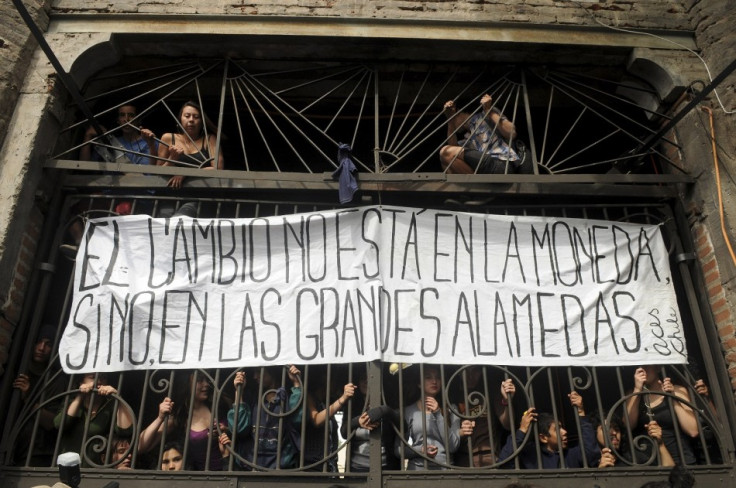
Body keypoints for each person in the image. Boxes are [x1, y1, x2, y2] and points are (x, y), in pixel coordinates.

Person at [394, 365, 475, 470]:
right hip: (418, 470)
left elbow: (452, 446)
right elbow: (398, 450)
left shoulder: (451, 409)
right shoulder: (409, 412)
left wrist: (438, 413)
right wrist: (421, 450)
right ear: (419, 383)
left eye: (438, 377)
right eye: (428, 377)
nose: (434, 381)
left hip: (445, 469)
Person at [227, 366, 303, 470]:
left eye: (259, 372)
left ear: (273, 372)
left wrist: (297, 384)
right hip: (250, 466)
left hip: (280, 467)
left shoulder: (287, 398)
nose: (255, 376)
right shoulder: (252, 399)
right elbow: (238, 428)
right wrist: (238, 391)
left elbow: (299, 420)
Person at [498, 391, 597, 469]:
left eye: (562, 427)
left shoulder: (571, 455)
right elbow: (504, 463)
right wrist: (522, 430)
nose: (565, 432)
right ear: (543, 438)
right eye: (557, 429)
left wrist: (581, 412)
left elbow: (591, 455)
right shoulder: (530, 457)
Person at [11, 325, 65, 466]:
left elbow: (51, 423)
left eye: (48, 344)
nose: (41, 348)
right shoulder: (14, 370)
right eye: (38, 342)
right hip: (10, 446)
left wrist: (28, 397)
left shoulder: (56, 380)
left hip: (36, 452)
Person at [53, 373, 133, 467]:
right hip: (68, 466)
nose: (98, 381)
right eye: (92, 377)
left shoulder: (110, 404)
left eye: (103, 378)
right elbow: (60, 424)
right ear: (81, 381)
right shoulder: (71, 401)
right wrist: (80, 396)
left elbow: (125, 431)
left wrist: (118, 398)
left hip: (95, 468)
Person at [439, 94, 531, 175]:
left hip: (502, 164)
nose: (453, 125)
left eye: (453, 118)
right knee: (446, 161)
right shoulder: (467, 139)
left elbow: (511, 133)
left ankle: (474, 184)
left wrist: (488, 110)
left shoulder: (485, 115)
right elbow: (451, 151)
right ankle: (473, 187)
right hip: (486, 168)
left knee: (445, 151)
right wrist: (450, 119)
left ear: (458, 112)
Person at [625, 366, 698, 465]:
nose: (642, 370)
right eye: (639, 366)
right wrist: (637, 390)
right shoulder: (633, 394)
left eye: (647, 365)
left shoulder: (677, 390)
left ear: (658, 368)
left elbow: (693, 431)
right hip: (648, 462)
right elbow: (627, 426)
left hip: (680, 460)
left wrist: (672, 398)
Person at [340, 370, 400, 472]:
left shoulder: (390, 404)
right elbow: (344, 433)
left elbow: (403, 428)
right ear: (358, 383)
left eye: (370, 378)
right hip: (356, 469)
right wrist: (357, 422)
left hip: (386, 469)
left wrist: (386, 410)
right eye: (363, 378)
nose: (366, 381)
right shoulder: (352, 406)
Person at [453, 367, 515, 467]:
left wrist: (507, 400)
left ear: (482, 372)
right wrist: (460, 431)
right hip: (461, 457)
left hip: (488, 454)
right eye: (466, 372)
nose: (470, 376)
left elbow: (507, 424)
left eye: (475, 371)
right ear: (459, 373)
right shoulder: (452, 395)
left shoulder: (489, 390)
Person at [157, 101, 224, 190]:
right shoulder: (168, 138)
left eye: (196, 117)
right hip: (170, 192)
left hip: (199, 193)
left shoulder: (209, 139)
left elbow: (218, 168)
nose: (191, 120)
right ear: (180, 119)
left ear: (202, 122)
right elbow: (158, 171)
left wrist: (186, 173)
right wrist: (172, 159)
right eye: (187, 116)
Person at [79, 103, 158, 166]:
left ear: (138, 120)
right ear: (118, 121)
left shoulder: (151, 141)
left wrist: (151, 145)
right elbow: (84, 166)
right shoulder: (109, 143)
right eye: (122, 115)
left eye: (131, 115)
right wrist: (87, 136)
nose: (126, 120)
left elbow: (156, 172)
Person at [302, 374, 353, 472]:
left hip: (329, 465)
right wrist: (343, 398)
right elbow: (316, 420)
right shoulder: (309, 397)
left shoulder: (325, 403)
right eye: (335, 382)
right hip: (313, 466)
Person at [591, 413, 674, 467]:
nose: (614, 433)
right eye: (607, 429)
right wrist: (601, 473)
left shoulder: (633, 458)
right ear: (595, 433)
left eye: (617, 428)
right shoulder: (589, 460)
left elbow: (669, 475)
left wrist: (660, 443)